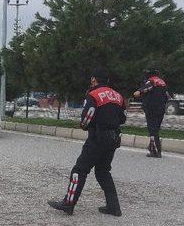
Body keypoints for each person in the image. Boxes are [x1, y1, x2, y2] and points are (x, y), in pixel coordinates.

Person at [48, 68, 126, 217]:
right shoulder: (118, 96)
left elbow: (86, 120)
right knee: (103, 171)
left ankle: (68, 203)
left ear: (94, 80)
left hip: (98, 138)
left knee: (79, 170)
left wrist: (86, 126)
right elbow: (123, 118)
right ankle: (114, 207)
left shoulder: (94, 95)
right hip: (114, 138)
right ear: (107, 81)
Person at [133, 70, 169, 158]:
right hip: (161, 109)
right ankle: (152, 147)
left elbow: (138, 93)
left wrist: (138, 93)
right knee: (156, 128)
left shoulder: (151, 81)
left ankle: (156, 151)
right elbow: (167, 96)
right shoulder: (162, 82)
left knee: (152, 129)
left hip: (151, 108)